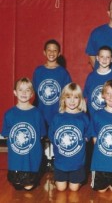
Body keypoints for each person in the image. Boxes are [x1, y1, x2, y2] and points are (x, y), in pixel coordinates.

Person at [1, 77, 46, 190]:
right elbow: (7, 135)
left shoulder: (37, 114)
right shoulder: (9, 114)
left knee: (28, 186)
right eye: (21, 90)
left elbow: (40, 136)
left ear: (32, 94)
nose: (24, 93)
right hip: (16, 159)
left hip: (31, 159)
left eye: (27, 90)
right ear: (15, 92)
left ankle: (32, 176)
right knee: (17, 185)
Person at [33, 39, 72, 167]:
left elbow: (68, 93)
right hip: (41, 111)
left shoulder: (62, 72)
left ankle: (56, 162)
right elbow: (34, 93)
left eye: (55, 50)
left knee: (56, 138)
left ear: (59, 53)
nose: (52, 52)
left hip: (57, 112)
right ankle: (41, 162)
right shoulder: (38, 71)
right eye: (49, 50)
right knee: (41, 138)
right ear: (44, 52)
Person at [49, 83, 90, 191]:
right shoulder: (58, 117)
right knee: (61, 189)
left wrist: (86, 138)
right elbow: (51, 134)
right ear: (63, 99)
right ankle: (57, 180)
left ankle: (80, 180)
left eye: (75, 97)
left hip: (77, 162)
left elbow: (88, 134)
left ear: (80, 99)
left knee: (74, 189)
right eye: (68, 97)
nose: (72, 101)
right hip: (61, 161)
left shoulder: (83, 118)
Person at [83, 46, 112, 119]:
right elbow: (85, 97)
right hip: (92, 118)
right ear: (97, 58)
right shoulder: (91, 76)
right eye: (102, 56)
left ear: (111, 59)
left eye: (107, 57)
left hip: (108, 118)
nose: (104, 60)